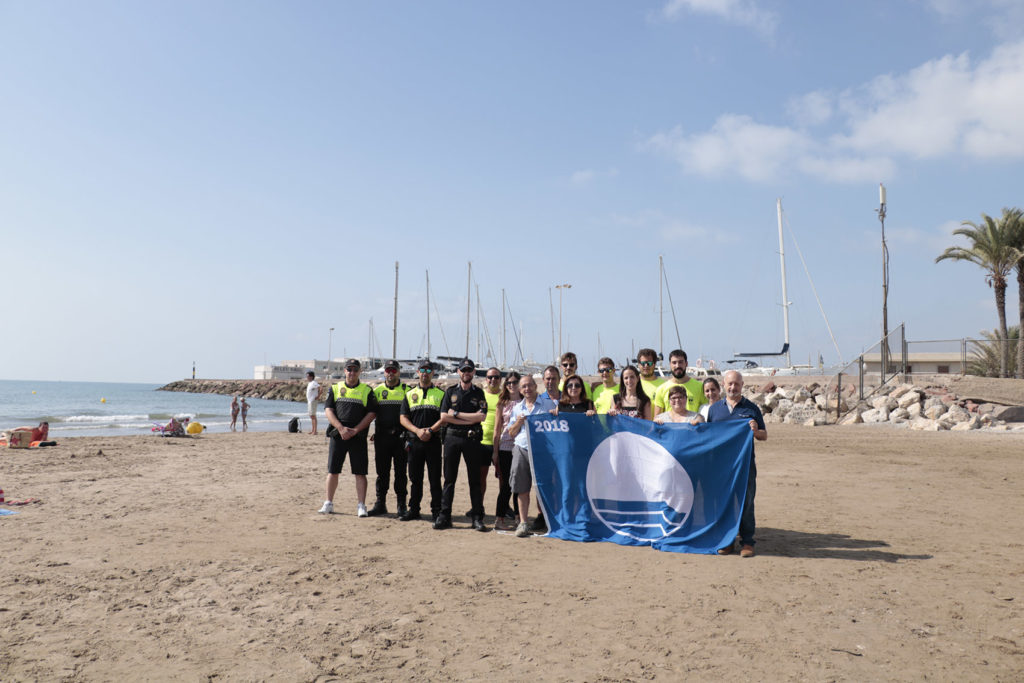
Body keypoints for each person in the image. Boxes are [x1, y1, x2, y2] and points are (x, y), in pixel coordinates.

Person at [706, 370, 767, 558]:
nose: (733, 387)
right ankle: (727, 541)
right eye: (730, 384)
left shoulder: (751, 408)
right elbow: (709, 436)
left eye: (737, 384)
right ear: (724, 384)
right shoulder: (715, 409)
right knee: (724, 502)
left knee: (746, 502)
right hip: (722, 466)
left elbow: (764, 436)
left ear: (742, 385)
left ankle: (747, 542)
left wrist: (756, 430)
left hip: (745, 464)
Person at [319, 358, 379, 517]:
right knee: (333, 471)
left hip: (357, 436)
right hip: (338, 435)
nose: (352, 373)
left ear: (360, 372)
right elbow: (328, 410)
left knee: (360, 472)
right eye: (349, 369)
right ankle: (328, 503)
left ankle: (361, 506)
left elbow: (372, 413)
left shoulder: (367, 390)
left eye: (355, 370)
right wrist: (340, 428)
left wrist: (356, 429)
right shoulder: (335, 388)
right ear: (345, 371)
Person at [435, 358, 488, 532]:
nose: (466, 373)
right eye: (463, 370)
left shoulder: (478, 394)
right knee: (449, 479)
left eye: (469, 370)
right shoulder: (450, 392)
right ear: (458, 372)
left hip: (472, 439)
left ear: (473, 372)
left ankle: (477, 518)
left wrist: (456, 414)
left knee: (475, 480)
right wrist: (469, 418)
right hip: (452, 439)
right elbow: (444, 417)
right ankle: (445, 516)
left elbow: (481, 417)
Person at [506, 375, 557, 538]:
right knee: (522, 488)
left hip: (543, 451)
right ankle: (523, 522)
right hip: (522, 449)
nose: (527, 389)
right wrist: (518, 422)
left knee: (543, 488)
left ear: (536, 386)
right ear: (520, 390)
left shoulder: (549, 404)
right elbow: (511, 433)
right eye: (523, 387)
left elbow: (556, 427)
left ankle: (548, 521)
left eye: (529, 385)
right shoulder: (517, 408)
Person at [398, 360, 445, 522]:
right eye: (422, 370)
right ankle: (414, 509)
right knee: (415, 478)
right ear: (418, 372)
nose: (425, 373)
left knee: (434, 479)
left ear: (433, 373)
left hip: (433, 441)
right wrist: (418, 431)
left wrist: (430, 430)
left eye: (428, 370)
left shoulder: (440, 394)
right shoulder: (410, 394)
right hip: (414, 441)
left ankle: (437, 511)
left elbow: (444, 418)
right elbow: (403, 418)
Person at [368, 360, 409, 517]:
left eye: (393, 370)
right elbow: (370, 414)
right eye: (388, 370)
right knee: (382, 473)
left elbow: (412, 415)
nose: (390, 373)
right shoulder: (377, 391)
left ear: (398, 372)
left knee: (401, 473)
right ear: (384, 372)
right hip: (382, 438)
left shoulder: (407, 390)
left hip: (401, 438)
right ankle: (380, 504)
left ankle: (401, 505)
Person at [491, 370, 522, 530]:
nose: (511, 385)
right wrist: (495, 452)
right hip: (504, 447)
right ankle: (499, 519)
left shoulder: (525, 401)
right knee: (506, 486)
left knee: (520, 484)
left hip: (521, 447)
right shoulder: (502, 403)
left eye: (515, 382)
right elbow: (497, 430)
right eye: (508, 383)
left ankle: (519, 518)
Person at [477, 367, 503, 517]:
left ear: (500, 379)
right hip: (482, 442)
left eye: (496, 377)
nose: (493, 380)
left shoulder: (504, 396)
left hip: (501, 443)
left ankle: (504, 507)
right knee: (481, 478)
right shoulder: (481, 395)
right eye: (490, 377)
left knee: (503, 479)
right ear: (486, 379)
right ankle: (478, 506)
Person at [653, 350, 708, 417]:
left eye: (680, 362)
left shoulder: (700, 387)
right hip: (669, 427)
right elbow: (657, 419)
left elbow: (706, 412)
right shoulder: (661, 389)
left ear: (686, 364)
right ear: (670, 364)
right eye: (674, 363)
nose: (677, 366)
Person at [305, 371, 321, 436]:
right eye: (306, 376)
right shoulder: (310, 383)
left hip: (313, 401)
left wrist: (318, 396)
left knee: (313, 416)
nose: (307, 377)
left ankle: (315, 431)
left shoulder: (314, 383)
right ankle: (313, 430)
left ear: (311, 376)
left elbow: (321, 388)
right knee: (311, 416)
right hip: (310, 401)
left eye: (308, 376)